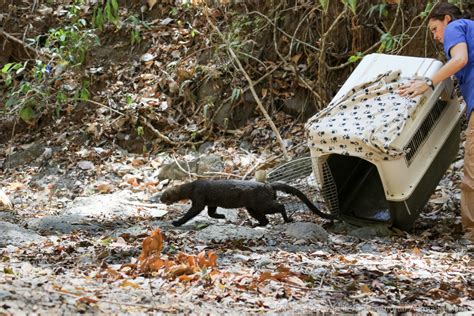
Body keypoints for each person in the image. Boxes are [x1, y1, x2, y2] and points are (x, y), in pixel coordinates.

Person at [399, 2, 474, 242]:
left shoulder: (456, 27)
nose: (436, 37)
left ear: (447, 20)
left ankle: (472, 233)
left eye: (434, 29)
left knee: (472, 176)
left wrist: (427, 83)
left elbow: (459, 59)